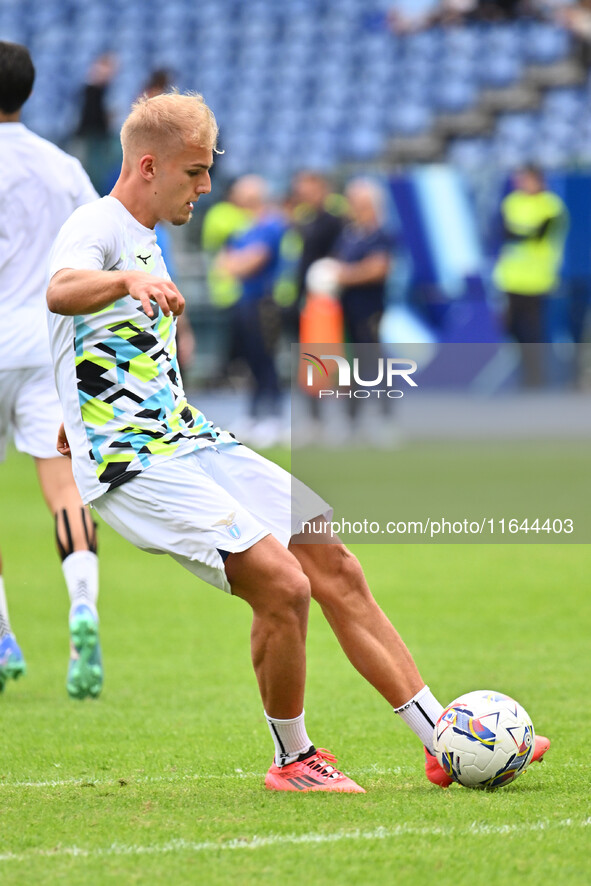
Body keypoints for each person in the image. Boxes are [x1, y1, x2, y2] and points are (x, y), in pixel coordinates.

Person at [46, 91, 550, 792]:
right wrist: (126, 284)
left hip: (186, 437)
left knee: (327, 554)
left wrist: (70, 409)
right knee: (282, 588)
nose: (206, 186)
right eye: (194, 173)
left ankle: (441, 737)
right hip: (136, 466)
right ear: (150, 166)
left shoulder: (143, 235)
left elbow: (88, 344)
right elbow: (61, 291)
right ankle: (293, 759)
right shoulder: (98, 225)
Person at [0, 41, 104, 698]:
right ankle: (83, 608)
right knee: (65, 488)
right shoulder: (63, 166)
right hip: (45, 342)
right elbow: (95, 248)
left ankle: (4, 632)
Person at [212, 175, 287, 446]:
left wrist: (236, 264)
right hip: (244, 301)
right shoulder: (244, 227)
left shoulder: (270, 225)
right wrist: (236, 263)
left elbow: (250, 262)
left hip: (265, 302)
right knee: (252, 361)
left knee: (266, 359)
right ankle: (255, 415)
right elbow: (224, 262)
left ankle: (274, 417)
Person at [493, 164, 568, 386]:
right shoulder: (512, 202)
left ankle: (536, 379)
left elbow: (537, 235)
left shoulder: (551, 206)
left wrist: (520, 232)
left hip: (538, 280)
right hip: (511, 278)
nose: (520, 183)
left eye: (525, 179)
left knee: (534, 332)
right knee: (512, 329)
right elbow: (505, 232)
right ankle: (524, 374)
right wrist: (523, 232)